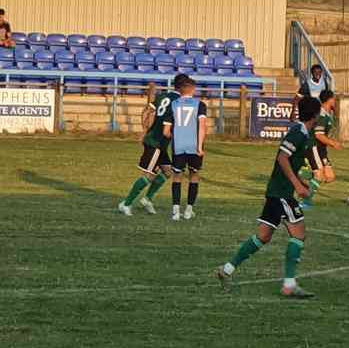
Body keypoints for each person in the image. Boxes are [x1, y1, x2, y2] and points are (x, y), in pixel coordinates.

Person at [216, 96, 321, 298]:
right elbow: (282, 158)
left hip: (276, 191)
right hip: (281, 193)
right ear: (316, 115)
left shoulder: (302, 132)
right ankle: (289, 285)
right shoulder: (298, 132)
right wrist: (297, 185)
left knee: (263, 236)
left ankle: (226, 270)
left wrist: (299, 179)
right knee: (298, 234)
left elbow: (288, 162)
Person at [117, 74, 187, 216]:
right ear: (184, 87)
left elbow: (146, 111)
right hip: (156, 142)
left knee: (168, 172)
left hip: (159, 143)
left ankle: (147, 199)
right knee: (148, 175)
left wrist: (144, 129)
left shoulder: (163, 96)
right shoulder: (179, 102)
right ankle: (126, 203)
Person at [163, 77, 207, 221]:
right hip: (194, 145)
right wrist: (199, 146)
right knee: (194, 175)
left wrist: (175, 135)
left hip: (179, 146)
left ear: (180, 89)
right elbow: (202, 126)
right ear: (193, 89)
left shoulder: (173, 104)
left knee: (177, 176)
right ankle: (188, 210)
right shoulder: (199, 104)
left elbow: (166, 131)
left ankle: (176, 211)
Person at [300, 89, 341, 209]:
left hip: (321, 149)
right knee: (319, 175)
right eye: (334, 99)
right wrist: (333, 143)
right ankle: (305, 202)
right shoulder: (321, 114)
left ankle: (302, 173)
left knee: (330, 176)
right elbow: (318, 135)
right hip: (314, 147)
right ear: (329, 100)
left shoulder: (328, 113)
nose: (335, 101)